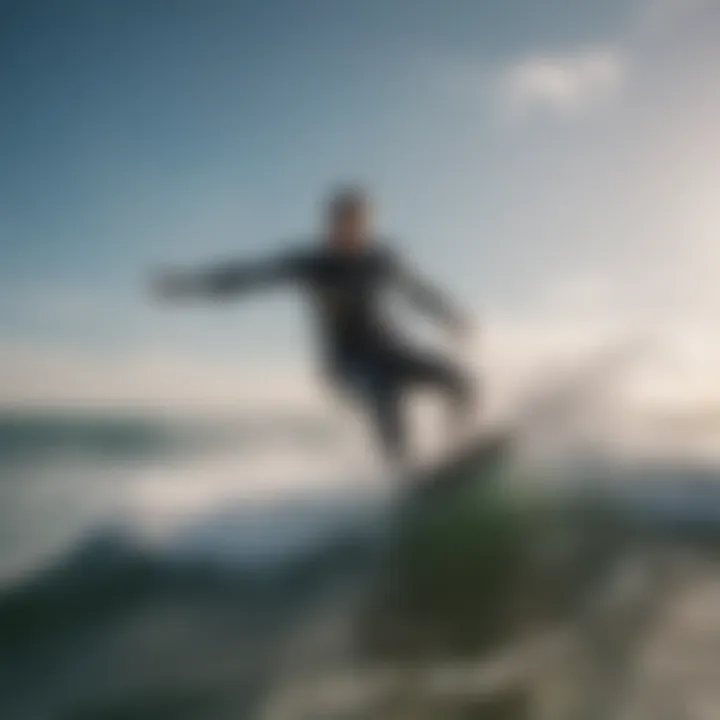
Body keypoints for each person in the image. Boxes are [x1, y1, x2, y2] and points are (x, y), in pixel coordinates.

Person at [153, 188, 478, 465]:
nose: (352, 232)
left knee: (459, 381)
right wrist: (187, 285)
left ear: (368, 225)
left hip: (390, 349)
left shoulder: (380, 258)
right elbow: (246, 277)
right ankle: (405, 474)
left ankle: (458, 447)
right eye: (344, 224)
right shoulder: (312, 265)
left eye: (360, 224)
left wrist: (449, 316)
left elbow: (415, 289)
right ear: (331, 226)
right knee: (385, 392)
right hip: (347, 363)